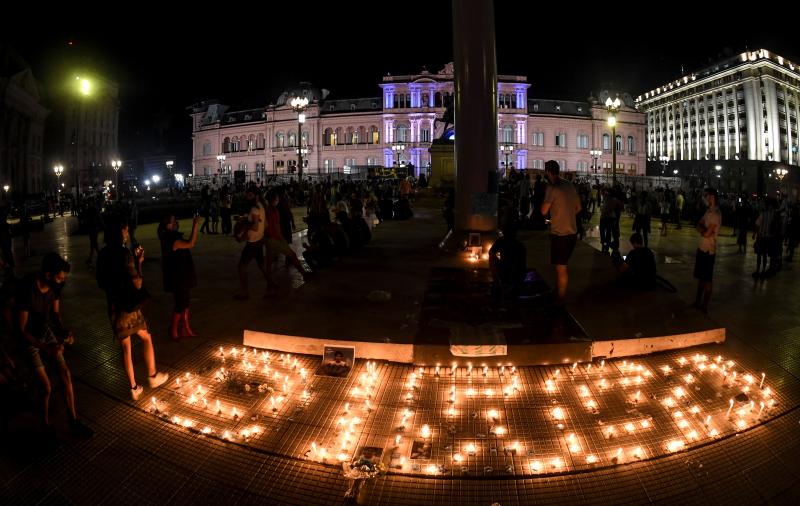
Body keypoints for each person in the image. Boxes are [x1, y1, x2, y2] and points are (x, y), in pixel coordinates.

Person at [15, 253, 93, 438]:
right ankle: (45, 427)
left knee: (65, 374)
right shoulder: (28, 288)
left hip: (44, 332)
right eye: (59, 277)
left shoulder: (55, 288)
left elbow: (56, 314)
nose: (62, 282)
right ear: (48, 275)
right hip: (29, 339)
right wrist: (46, 348)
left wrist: (64, 332)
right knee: (46, 387)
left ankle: (73, 421)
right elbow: (21, 330)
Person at [97, 218, 169, 400]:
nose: (128, 233)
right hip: (128, 307)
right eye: (126, 230)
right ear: (120, 232)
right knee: (146, 337)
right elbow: (137, 283)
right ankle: (152, 376)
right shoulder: (124, 254)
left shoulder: (103, 254)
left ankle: (134, 388)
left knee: (126, 348)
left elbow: (101, 282)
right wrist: (139, 263)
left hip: (113, 306)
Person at [540, 160, 581, 305]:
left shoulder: (552, 188)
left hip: (560, 234)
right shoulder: (569, 185)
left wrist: (556, 217)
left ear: (548, 172)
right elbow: (578, 208)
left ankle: (560, 299)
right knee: (561, 265)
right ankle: (558, 289)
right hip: (572, 232)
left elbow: (543, 211)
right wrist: (566, 215)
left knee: (561, 268)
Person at [158, 213, 200, 340]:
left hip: (182, 274)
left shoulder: (171, 236)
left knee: (185, 302)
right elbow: (191, 243)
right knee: (180, 303)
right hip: (177, 276)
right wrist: (195, 225)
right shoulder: (171, 239)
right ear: (168, 225)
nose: (176, 223)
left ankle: (185, 328)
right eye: (174, 221)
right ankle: (174, 330)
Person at [234, 184, 273, 300]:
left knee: (242, 266)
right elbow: (264, 225)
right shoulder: (261, 206)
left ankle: (245, 292)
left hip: (253, 242)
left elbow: (255, 227)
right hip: (259, 240)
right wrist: (246, 219)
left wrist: (244, 229)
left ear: (256, 196)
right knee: (261, 265)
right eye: (247, 195)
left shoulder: (254, 208)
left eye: (250, 195)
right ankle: (271, 286)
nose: (248, 197)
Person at [264, 189, 310, 283]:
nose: (278, 199)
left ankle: (269, 283)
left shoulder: (267, 209)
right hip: (276, 239)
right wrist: (282, 239)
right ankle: (304, 274)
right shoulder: (274, 211)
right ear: (274, 199)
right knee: (292, 255)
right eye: (277, 198)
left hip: (268, 239)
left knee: (269, 263)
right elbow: (277, 228)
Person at [692, 188, 721, 313]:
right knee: (701, 278)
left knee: (707, 279)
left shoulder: (716, 214)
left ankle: (704, 305)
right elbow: (698, 225)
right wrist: (704, 229)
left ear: (712, 197)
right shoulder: (708, 212)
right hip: (702, 248)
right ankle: (698, 302)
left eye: (706, 196)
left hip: (709, 250)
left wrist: (703, 229)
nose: (705, 198)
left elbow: (706, 233)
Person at [489, 221, 527, 303]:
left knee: (492, 257)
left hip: (507, 274)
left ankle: (501, 287)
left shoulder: (502, 242)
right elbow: (523, 267)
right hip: (515, 276)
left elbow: (491, 253)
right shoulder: (521, 246)